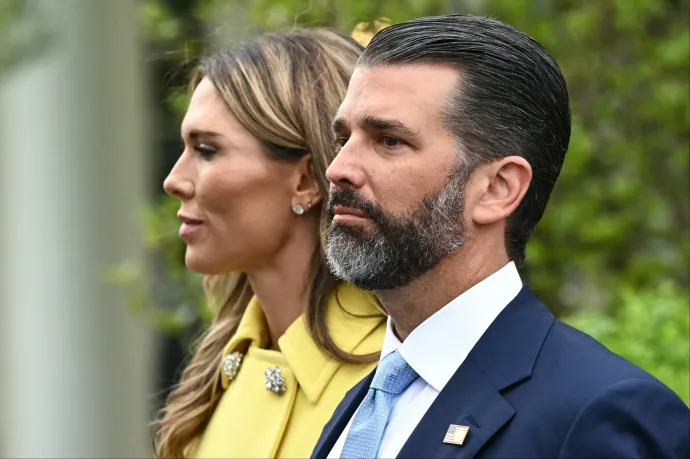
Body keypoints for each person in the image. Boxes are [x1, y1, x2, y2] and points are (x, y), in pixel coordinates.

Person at [312, 14, 690, 459]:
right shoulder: (366, 402)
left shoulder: (601, 413)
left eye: (389, 140)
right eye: (343, 139)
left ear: (497, 189)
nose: (338, 169)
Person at [155, 28, 387, 459]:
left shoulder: (397, 376)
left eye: (206, 150)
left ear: (305, 180)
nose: (174, 181)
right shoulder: (214, 373)